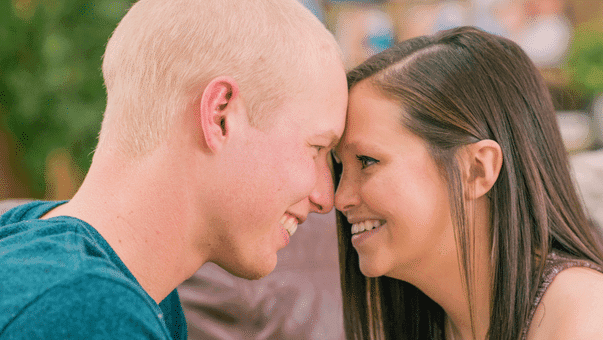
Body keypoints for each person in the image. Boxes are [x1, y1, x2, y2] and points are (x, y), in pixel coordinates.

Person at [0, 0, 347, 338]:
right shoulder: (87, 312)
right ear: (220, 116)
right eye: (316, 148)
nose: (325, 197)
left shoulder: (29, 245)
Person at [333, 26, 603, 340]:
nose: (340, 198)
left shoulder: (590, 322)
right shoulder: (442, 322)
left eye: (367, 161)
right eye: (339, 168)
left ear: (478, 170)